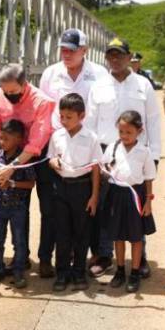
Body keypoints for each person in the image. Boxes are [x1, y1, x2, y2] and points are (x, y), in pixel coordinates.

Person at [86, 38, 161, 279]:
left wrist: (155, 154)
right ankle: (105, 255)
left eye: (119, 55)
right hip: (107, 153)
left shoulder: (142, 84)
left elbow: (153, 120)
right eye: (110, 55)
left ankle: (141, 259)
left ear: (129, 58)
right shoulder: (98, 86)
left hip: (137, 153)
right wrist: (94, 157)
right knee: (108, 208)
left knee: (137, 207)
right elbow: (90, 123)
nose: (115, 59)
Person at [37, 29, 110, 270]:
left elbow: (104, 113)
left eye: (72, 49)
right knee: (52, 208)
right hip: (58, 148)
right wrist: (52, 152)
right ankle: (49, 258)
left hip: (89, 149)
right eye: (63, 49)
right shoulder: (51, 74)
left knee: (90, 207)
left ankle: (94, 256)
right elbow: (45, 113)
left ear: (85, 50)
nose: (66, 54)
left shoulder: (99, 74)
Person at [0, 64, 55, 277]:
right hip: (10, 153)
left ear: (24, 84)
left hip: (37, 155)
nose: (9, 95)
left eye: (14, 91)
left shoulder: (42, 101)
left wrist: (14, 167)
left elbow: (38, 139)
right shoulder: (0, 97)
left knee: (47, 208)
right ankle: (19, 257)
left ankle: (45, 258)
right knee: (16, 205)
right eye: (6, 91)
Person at [48, 93, 102, 292]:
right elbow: (51, 157)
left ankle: (79, 272)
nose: (64, 121)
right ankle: (62, 272)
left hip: (82, 189)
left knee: (81, 232)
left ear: (82, 116)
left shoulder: (91, 138)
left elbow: (96, 168)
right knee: (62, 233)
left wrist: (94, 196)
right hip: (61, 188)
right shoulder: (57, 136)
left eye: (69, 117)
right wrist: (53, 163)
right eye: (61, 116)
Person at [101, 110, 156, 293]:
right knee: (118, 235)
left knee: (136, 236)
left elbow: (148, 178)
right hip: (116, 194)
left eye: (129, 132)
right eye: (121, 132)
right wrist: (105, 169)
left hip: (136, 196)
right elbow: (104, 168)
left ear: (139, 131)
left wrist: (148, 202)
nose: (124, 136)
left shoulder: (144, 151)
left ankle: (134, 272)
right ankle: (120, 271)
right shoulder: (112, 148)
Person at [0, 120, 36, 289]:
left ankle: (18, 270)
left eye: (6, 139)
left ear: (19, 139)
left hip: (18, 207)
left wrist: (11, 183)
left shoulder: (23, 158)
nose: (1, 142)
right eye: (0, 138)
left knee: (19, 240)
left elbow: (30, 184)